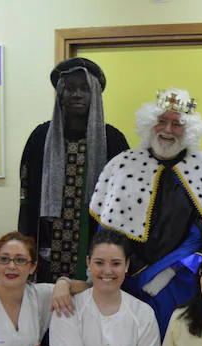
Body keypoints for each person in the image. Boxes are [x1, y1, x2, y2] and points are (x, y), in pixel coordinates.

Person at [88, 88, 202, 337]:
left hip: (179, 281)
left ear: (189, 130)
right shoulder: (122, 164)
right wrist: (127, 270)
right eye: (161, 121)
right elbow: (106, 230)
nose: (168, 130)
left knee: (173, 345)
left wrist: (168, 272)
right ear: (149, 124)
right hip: (124, 279)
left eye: (177, 124)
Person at [18, 57, 129, 283]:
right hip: (48, 243)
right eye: (70, 88)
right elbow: (27, 199)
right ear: (60, 94)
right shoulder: (40, 137)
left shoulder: (113, 141)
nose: (76, 94)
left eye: (84, 88)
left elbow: (125, 204)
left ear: (95, 95)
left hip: (95, 244)